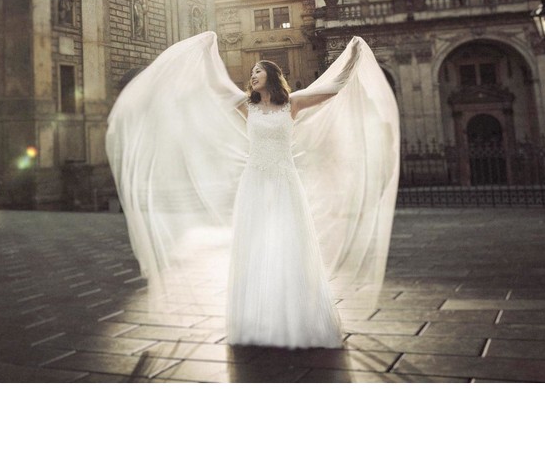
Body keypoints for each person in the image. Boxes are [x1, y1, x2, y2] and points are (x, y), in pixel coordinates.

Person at [106, 32, 399, 349]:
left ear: (271, 75)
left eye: (257, 71)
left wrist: (353, 57)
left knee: (290, 245)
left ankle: (297, 318)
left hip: (285, 182)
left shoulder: (294, 103)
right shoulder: (247, 107)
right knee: (257, 247)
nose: (252, 75)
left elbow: (334, 88)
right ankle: (258, 320)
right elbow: (214, 84)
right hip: (255, 183)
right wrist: (207, 49)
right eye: (251, 73)